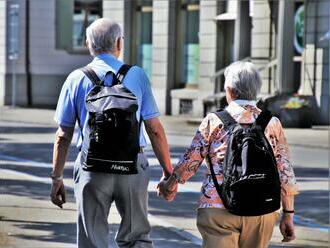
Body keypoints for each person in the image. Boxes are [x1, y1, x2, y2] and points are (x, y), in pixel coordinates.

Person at [50, 18, 174, 248]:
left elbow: (63, 135)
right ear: (119, 43)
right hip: (132, 167)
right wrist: (169, 173)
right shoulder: (137, 75)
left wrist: (56, 178)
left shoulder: (75, 78)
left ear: (88, 44)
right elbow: (154, 129)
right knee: (137, 237)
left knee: (92, 240)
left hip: (92, 169)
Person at [158, 61, 298, 248]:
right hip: (261, 210)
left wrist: (170, 184)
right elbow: (285, 171)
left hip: (217, 207)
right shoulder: (272, 123)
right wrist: (288, 213)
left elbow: (191, 160)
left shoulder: (214, 121)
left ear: (230, 89)